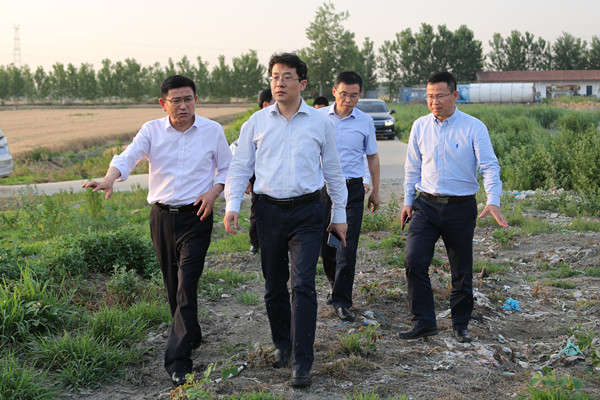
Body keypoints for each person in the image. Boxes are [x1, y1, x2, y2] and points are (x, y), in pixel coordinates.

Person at [82, 75, 231, 386]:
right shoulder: (151, 130)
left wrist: (214, 192)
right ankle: (190, 332)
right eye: (176, 100)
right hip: (161, 217)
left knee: (187, 283)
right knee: (172, 284)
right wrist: (109, 178)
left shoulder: (213, 131)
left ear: (196, 100)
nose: (183, 105)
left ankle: (178, 360)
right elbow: (128, 156)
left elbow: (228, 168)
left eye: (188, 99)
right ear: (164, 104)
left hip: (197, 215)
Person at [224, 52, 347, 388]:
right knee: (274, 284)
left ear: (302, 83)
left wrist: (339, 215)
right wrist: (232, 205)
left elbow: (333, 170)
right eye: (275, 76)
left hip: (307, 211)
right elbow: (240, 167)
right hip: (268, 212)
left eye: (287, 76)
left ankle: (302, 361)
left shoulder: (320, 122)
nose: (279, 83)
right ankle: (283, 343)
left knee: (303, 283)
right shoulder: (256, 122)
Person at [399, 71, 508, 343]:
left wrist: (493, 199)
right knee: (414, 260)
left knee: (461, 269)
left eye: (440, 96)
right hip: (426, 205)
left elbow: (489, 166)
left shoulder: (474, 127)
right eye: (429, 96)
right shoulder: (420, 126)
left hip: (460, 208)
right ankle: (423, 322)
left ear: (455, 95)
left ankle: (460, 325)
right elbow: (412, 167)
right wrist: (408, 201)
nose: (434, 102)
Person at [319, 71, 380, 322]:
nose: (348, 100)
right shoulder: (318, 118)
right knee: (326, 246)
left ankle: (342, 300)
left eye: (354, 95)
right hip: (322, 190)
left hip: (352, 190)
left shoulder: (365, 121)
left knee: (347, 246)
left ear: (360, 95)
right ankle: (334, 284)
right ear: (334, 92)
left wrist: (375, 190)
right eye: (343, 94)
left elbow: (372, 157)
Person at [247, 88, 275, 255]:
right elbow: (244, 158)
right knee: (257, 210)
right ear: (266, 104)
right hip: (258, 175)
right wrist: (247, 179)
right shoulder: (254, 123)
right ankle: (256, 243)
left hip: (277, 174)